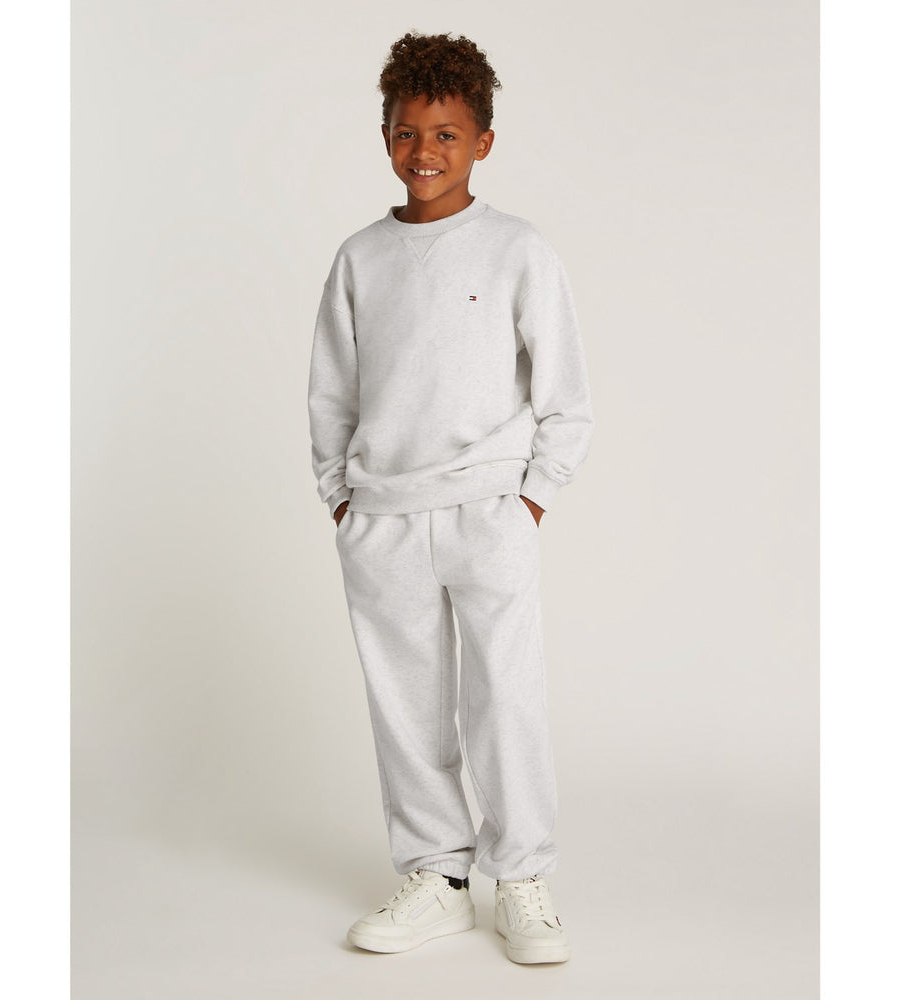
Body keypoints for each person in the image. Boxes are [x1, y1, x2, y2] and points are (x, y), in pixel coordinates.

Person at [307, 30, 594, 965]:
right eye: (406, 131)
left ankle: (522, 877)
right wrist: (341, 499)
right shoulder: (360, 258)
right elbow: (332, 391)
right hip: (382, 516)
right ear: (384, 136)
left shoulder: (516, 249)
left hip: (488, 513)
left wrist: (530, 499)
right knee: (405, 704)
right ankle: (438, 873)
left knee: (504, 696)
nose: (424, 150)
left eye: (446, 133)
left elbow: (565, 395)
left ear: (483, 141)